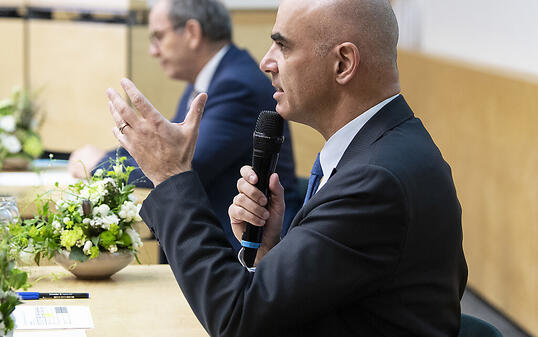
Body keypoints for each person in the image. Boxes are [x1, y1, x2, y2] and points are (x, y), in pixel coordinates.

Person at [106, 0, 468, 335]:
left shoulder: (377, 180)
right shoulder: (379, 146)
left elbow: (238, 318)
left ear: (343, 63)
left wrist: (170, 175)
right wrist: (271, 253)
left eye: (283, 46)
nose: (266, 62)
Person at [68, 0, 300, 251]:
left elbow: (179, 165)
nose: (153, 51)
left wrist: (97, 165)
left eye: (158, 37)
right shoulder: (207, 80)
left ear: (192, 32)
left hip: (242, 253)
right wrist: (104, 158)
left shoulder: (236, 86)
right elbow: (163, 148)